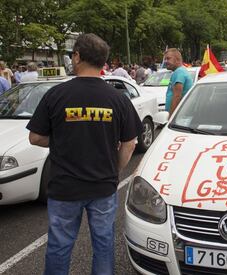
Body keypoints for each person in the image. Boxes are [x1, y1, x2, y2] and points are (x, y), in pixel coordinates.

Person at [26, 33, 142, 275]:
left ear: (77, 56)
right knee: (103, 245)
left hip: (64, 187)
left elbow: (35, 137)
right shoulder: (118, 99)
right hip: (102, 186)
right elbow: (130, 143)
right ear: (103, 61)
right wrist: (115, 171)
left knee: (59, 245)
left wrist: (62, 139)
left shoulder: (56, 95)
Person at [164, 48, 193, 116]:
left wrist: (170, 118)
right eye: (165, 59)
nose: (165, 61)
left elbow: (177, 96)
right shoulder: (180, 71)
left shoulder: (179, 72)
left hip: (179, 117)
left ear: (177, 60)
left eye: (168, 58)